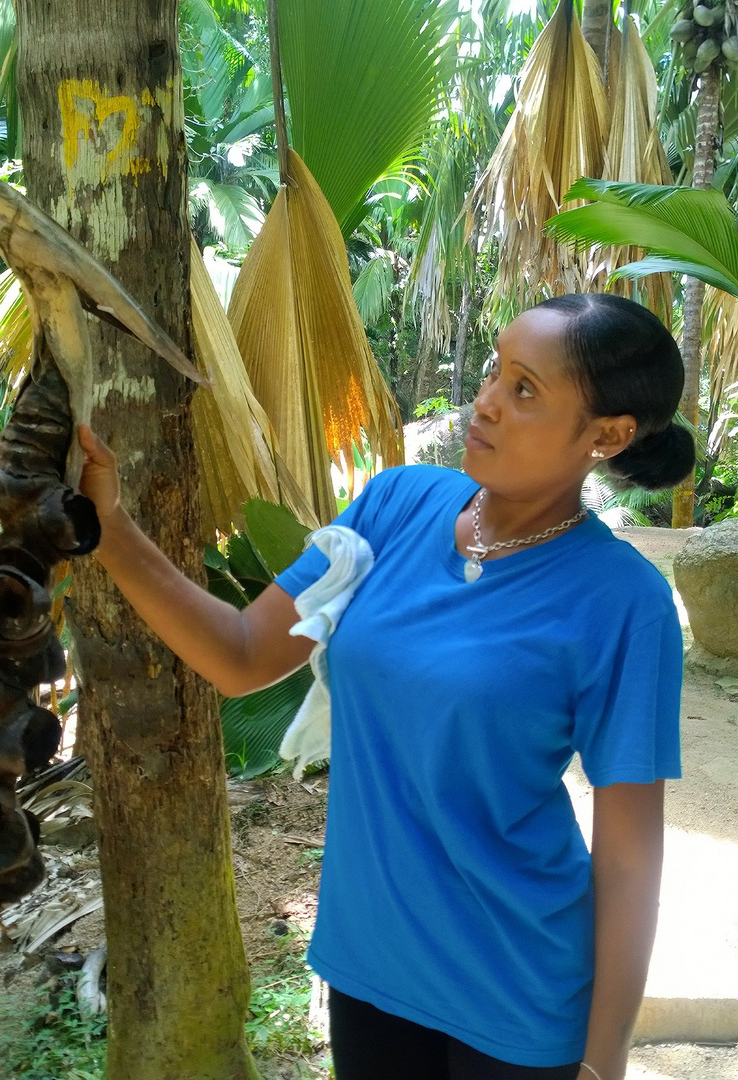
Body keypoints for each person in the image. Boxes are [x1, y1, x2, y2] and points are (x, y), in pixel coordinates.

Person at [73, 292, 692, 1080]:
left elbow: (631, 855)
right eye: (496, 373)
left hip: (516, 992)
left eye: (526, 389)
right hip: (371, 969)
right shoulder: (397, 505)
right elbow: (240, 655)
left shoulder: (621, 601)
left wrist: (604, 1061)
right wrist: (109, 528)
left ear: (607, 435)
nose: (488, 402)